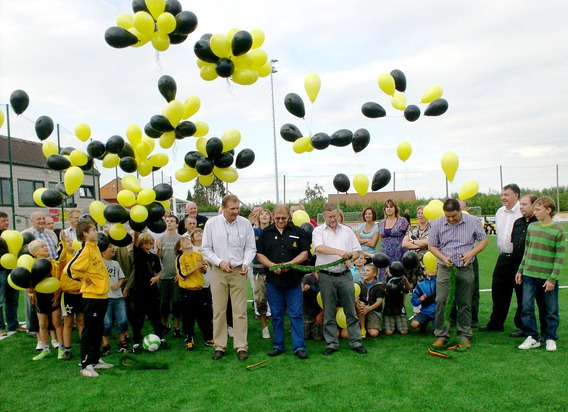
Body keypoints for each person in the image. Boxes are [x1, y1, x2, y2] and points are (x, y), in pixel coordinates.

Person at [201, 194, 256, 361]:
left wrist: (246, 262)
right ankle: (220, 346)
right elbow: (206, 249)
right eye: (232, 209)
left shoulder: (245, 223)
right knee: (219, 309)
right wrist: (219, 262)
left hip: (239, 271)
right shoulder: (212, 224)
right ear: (223, 208)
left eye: (237, 208)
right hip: (219, 271)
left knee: (240, 311)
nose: (236, 212)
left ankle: (241, 346)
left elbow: (250, 248)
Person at [428, 199, 488, 349]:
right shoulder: (438, 223)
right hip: (445, 268)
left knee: (465, 302)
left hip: (465, 267)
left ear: (460, 210)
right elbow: (431, 245)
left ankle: (464, 335)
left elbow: (483, 240)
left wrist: (471, 253)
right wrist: (442, 257)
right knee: (441, 300)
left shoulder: (472, 221)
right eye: (448, 216)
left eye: (454, 216)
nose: (451, 219)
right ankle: (441, 334)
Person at [312, 202, 367, 355]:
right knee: (328, 312)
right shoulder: (318, 231)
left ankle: (356, 342)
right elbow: (319, 248)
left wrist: (350, 256)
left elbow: (357, 250)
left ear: (338, 214)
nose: (333, 219)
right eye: (329, 216)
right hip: (326, 276)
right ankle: (331, 344)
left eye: (335, 216)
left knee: (351, 310)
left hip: (345, 275)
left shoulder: (347, 231)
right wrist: (341, 253)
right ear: (324, 216)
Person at [256, 204, 310, 359]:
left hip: (293, 281)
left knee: (296, 314)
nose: (280, 221)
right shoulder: (266, 233)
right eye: (278, 218)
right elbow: (260, 254)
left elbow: (305, 253)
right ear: (273, 216)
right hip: (273, 282)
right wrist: (272, 266)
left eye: (283, 218)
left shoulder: (298, 232)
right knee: (277, 315)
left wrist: (290, 264)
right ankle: (278, 345)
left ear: (289, 217)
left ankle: (299, 346)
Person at [516, 196, 565, 352]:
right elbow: (527, 251)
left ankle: (550, 337)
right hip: (529, 275)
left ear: (548, 210)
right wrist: (520, 270)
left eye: (538, 209)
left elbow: (559, 257)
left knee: (551, 309)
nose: (535, 212)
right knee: (526, 307)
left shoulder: (558, 231)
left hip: (547, 278)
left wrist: (552, 278)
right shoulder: (533, 227)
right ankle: (532, 337)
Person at [67, 219, 112, 377]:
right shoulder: (85, 250)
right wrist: (85, 278)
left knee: (98, 328)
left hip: (102, 295)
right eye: (93, 229)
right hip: (92, 297)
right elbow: (72, 270)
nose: (96, 232)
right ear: (85, 233)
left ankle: (95, 359)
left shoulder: (95, 248)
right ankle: (85, 364)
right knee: (90, 329)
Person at [480, 184, 523, 334]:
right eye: (502, 194)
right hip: (503, 257)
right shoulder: (499, 212)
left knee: (521, 293)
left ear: (515, 196)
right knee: (498, 291)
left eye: (506, 194)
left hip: (519, 259)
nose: (503, 197)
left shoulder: (522, 211)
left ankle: (522, 325)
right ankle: (496, 323)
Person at [510, 194, 547, 338]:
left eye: (524, 204)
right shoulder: (518, 222)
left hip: (538, 269)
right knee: (522, 300)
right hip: (519, 268)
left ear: (534, 205)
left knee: (543, 303)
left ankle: (545, 332)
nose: (521, 207)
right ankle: (523, 328)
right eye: (521, 205)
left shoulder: (540, 224)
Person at [128, 232, 169, 354]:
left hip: (152, 291)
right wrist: (136, 231)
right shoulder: (138, 254)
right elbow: (135, 241)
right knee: (138, 318)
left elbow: (159, 271)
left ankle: (161, 337)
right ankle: (136, 342)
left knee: (156, 315)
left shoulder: (154, 257)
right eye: (146, 243)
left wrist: (157, 278)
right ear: (141, 243)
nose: (149, 245)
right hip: (139, 291)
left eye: (151, 243)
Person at [22, 211, 58, 339]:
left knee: (52, 302)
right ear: (32, 221)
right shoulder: (26, 234)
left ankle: (51, 329)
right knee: (34, 303)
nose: (42, 220)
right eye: (38, 219)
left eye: (43, 218)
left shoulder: (51, 233)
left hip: (51, 271)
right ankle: (33, 328)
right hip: (35, 274)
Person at [27, 239, 65, 360]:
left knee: (57, 322)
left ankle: (61, 347)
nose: (45, 247)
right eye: (42, 246)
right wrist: (31, 291)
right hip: (39, 298)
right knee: (42, 324)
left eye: (45, 245)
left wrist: (57, 294)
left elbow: (58, 280)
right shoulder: (31, 266)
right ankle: (45, 349)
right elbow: (30, 285)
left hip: (53, 297)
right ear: (35, 252)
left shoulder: (52, 264)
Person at [174, 237, 213, 350]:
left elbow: (204, 270)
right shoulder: (180, 258)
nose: (187, 241)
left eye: (188, 240)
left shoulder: (198, 255)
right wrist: (196, 267)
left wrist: (202, 268)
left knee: (204, 315)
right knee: (188, 317)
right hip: (187, 292)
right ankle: (189, 338)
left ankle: (208, 337)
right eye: (184, 241)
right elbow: (182, 274)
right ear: (180, 247)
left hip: (200, 290)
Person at [155, 215, 183, 337]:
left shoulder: (180, 239)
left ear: (177, 224)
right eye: (167, 221)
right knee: (163, 305)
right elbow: (157, 259)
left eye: (172, 221)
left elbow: (184, 257)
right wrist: (158, 249)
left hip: (176, 277)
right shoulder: (160, 239)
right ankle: (165, 324)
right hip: (164, 276)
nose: (169, 223)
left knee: (176, 303)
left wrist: (180, 273)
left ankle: (177, 327)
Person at [59, 233, 84, 361]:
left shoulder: (79, 256)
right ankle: (67, 349)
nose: (70, 243)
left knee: (81, 321)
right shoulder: (64, 257)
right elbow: (61, 259)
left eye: (71, 241)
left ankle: (84, 348)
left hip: (81, 293)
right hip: (68, 294)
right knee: (68, 322)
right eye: (67, 241)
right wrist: (63, 242)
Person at [101, 244, 129, 355]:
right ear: (103, 251)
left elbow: (121, 277)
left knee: (122, 320)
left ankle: (122, 342)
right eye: (109, 247)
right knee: (106, 323)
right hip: (105, 298)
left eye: (113, 247)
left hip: (118, 297)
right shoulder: (100, 263)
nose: (113, 249)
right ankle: (105, 345)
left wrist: (119, 284)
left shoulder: (115, 263)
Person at [0, 211, 25, 335]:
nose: (6, 223)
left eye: (7, 220)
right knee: (0, 300)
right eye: (3, 221)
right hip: (0, 272)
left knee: (13, 299)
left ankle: (13, 324)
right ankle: (0, 327)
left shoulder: (11, 235)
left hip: (12, 271)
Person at [252, 208, 273, 339]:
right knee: (261, 300)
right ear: (258, 218)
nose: (264, 215)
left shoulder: (275, 231)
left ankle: (277, 326)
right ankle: (264, 328)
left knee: (276, 300)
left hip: (273, 270)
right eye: (262, 214)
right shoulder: (253, 232)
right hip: (259, 270)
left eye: (267, 214)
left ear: (270, 218)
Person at [377, 199, 409, 283]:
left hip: (398, 253)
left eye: (391, 207)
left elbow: (408, 234)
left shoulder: (402, 221)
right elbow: (381, 237)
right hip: (385, 254)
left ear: (395, 208)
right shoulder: (381, 222)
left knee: (398, 277)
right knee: (384, 278)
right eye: (386, 207)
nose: (389, 209)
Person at [402, 205, 431, 288]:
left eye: (422, 213)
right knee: (414, 290)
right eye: (419, 213)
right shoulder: (412, 229)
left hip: (426, 263)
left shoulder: (433, 228)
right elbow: (404, 244)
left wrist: (414, 242)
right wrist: (422, 244)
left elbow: (429, 242)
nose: (420, 215)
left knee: (427, 289)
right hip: (413, 265)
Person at [356, 264, 385, 338]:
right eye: (364, 270)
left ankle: (368, 325)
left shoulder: (379, 286)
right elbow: (356, 296)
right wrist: (358, 301)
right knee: (360, 304)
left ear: (374, 274)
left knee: (373, 333)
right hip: (362, 309)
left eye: (368, 270)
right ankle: (362, 329)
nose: (365, 272)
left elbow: (379, 302)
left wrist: (368, 308)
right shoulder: (360, 284)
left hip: (373, 310)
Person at [410, 266, 437, 333]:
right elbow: (414, 302)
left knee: (437, 333)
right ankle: (423, 324)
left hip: (438, 313)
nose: (432, 269)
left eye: (434, 268)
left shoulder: (440, 282)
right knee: (414, 324)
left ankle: (438, 326)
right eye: (429, 267)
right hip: (425, 312)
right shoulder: (420, 285)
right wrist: (420, 300)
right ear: (424, 272)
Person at [301, 271, 323, 341]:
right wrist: (303, 289)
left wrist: (321, 314)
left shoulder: (326, 279)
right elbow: (299, 292)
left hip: (318, 313)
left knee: (318, 338)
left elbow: (329, 300)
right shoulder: (307, 277)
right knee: (304, 337)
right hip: (306, 312)